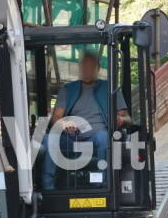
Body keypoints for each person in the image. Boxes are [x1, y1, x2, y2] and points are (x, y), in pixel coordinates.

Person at [40, 52, 128, 191]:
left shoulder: (110, 88)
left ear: (97, 69)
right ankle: (47, 188)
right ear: (80, 68)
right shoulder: (68, 89)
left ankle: (102, 186)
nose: (87, 69)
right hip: (71, 138)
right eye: (84, 66)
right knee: (48, 139)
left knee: (104, 137)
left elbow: (128, 118)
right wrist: (63, 124)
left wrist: (121, 119)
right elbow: (55, 117)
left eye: (90, 66)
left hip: (97, 137)